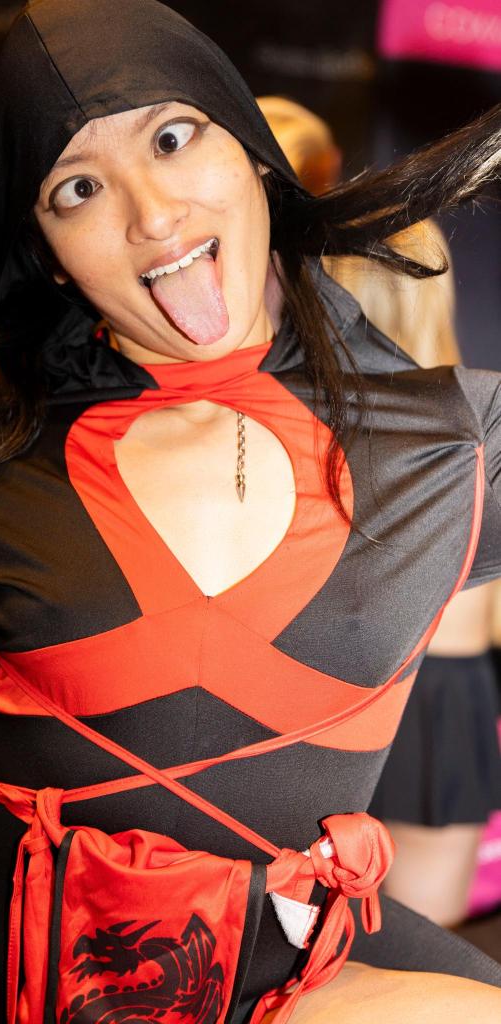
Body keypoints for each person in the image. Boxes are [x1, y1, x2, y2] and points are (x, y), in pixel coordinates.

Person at [0, 1, 501, 1022]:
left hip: (283, 976)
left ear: (253, 152)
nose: (151, 214)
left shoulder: (454, 444)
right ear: (49, 252)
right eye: (78, 188)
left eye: (172, 138)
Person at [257, 95, 501, 927]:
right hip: (429, 703)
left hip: (354, 703)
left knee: (330, 956)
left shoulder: (300, 447)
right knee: (416, 950)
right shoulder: (473, 436)